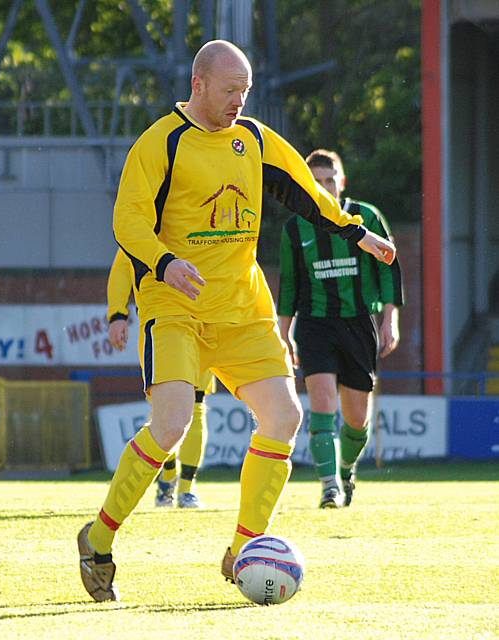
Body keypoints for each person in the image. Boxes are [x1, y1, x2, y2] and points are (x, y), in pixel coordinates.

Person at [77, 40, 396, 602]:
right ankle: (98, 540)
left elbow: (308, 192)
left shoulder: (254, 139)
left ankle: (243, 550)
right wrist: (165, 261)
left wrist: (357, 232)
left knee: (283, 417)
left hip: (242, 308)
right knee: (171, 425)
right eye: (230, 91)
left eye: (245, 91)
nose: (239, 101)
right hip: (175, 308)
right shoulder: (161, 144)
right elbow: (127, 221)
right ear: (198, 84)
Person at [278, 149, 404, 509]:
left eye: (330, 180)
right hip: (315, 324)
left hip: (359, 322)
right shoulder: (295, 227)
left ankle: (346, 469)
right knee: (321, 402)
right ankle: (329, 486)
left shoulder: (367, 217)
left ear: (342, 181)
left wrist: (390, 318)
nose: (325, 187)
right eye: (316, 182)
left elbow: (388, 267)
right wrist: (283, 333)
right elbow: (290, 284)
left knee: (356, 418)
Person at [107, 248, 211, 509]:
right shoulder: (149, 219)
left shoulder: (208, 219)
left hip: (207, 321)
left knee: (197, 406)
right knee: (167, 411)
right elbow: (123, 265)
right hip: (164, 323)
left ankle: (187, 489)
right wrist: (118, 314)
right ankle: (167, 477)